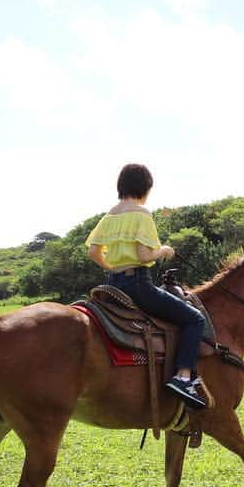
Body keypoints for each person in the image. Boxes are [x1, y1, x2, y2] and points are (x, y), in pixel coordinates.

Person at [85, 163, 207, 409]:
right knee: (195, 319)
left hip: (113, 285)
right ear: (145, 187)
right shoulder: (142, 214)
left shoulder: (110, 215)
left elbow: (93, 251)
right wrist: (164, 251)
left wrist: (111, 268)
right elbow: (144, 255)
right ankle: (183, 377)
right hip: (138, 284)